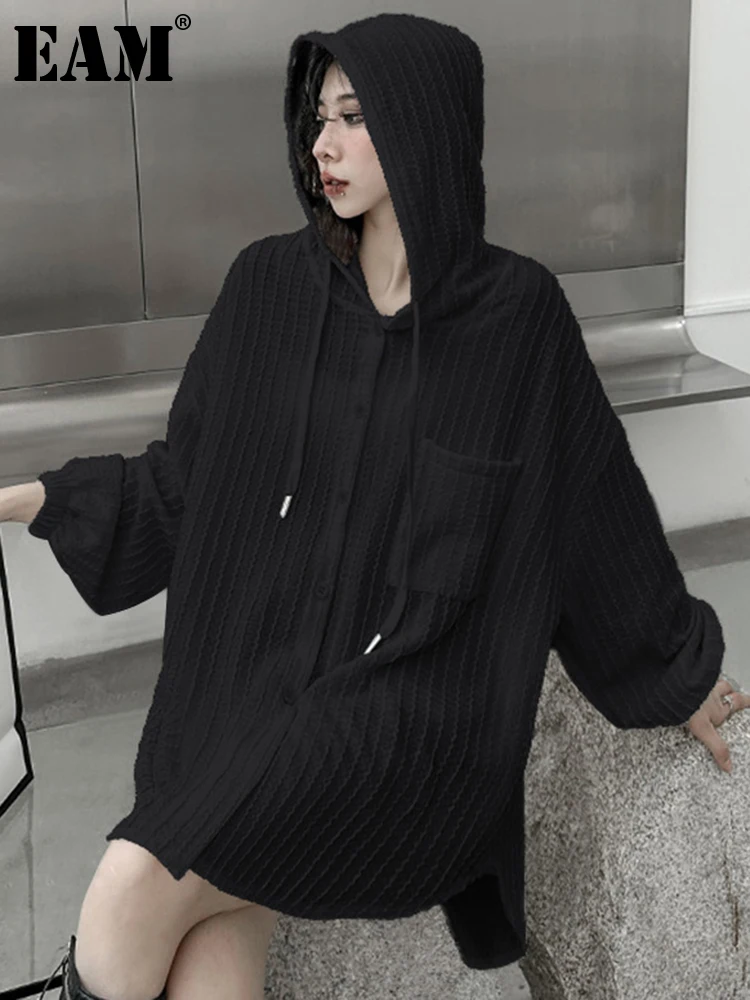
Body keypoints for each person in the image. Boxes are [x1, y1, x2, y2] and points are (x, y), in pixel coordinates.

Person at [1, 13, 745, 999]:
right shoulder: (266, 287)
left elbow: (594, 523)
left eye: (354, 117)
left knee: (128, 890)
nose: (323, 143)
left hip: (412, 723)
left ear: (424, 125)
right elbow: (185, 480)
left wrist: (674, 674)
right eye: (319, 118)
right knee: (208, 957)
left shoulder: (517, 321)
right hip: (245, 697)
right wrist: (29, 498)